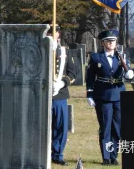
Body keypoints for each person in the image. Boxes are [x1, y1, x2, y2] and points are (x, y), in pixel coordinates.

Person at [86, 29, 134, 166]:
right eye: (108, 41)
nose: (111, 43)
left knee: (117, 128)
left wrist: (129, 74)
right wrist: (89, 94)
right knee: (105, 127)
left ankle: (114, 156)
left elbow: (127, 74)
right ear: (103, 43)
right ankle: (106, 157)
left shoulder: (121, 57)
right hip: (103, 96)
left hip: (119, 95)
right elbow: (89, 78)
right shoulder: (96, 58)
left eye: (113, 41)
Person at [45, 21, 76, 166]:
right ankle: (42, 153)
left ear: (59, 34)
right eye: (49, 32)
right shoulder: (39, 50)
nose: (52, 35)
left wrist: (62, 82)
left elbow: (73, 72)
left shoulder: (65, 51)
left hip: (60, 94)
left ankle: (57, 154)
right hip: (43, 94)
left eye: (54, 32)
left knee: (60, 126)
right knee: (42, 126)